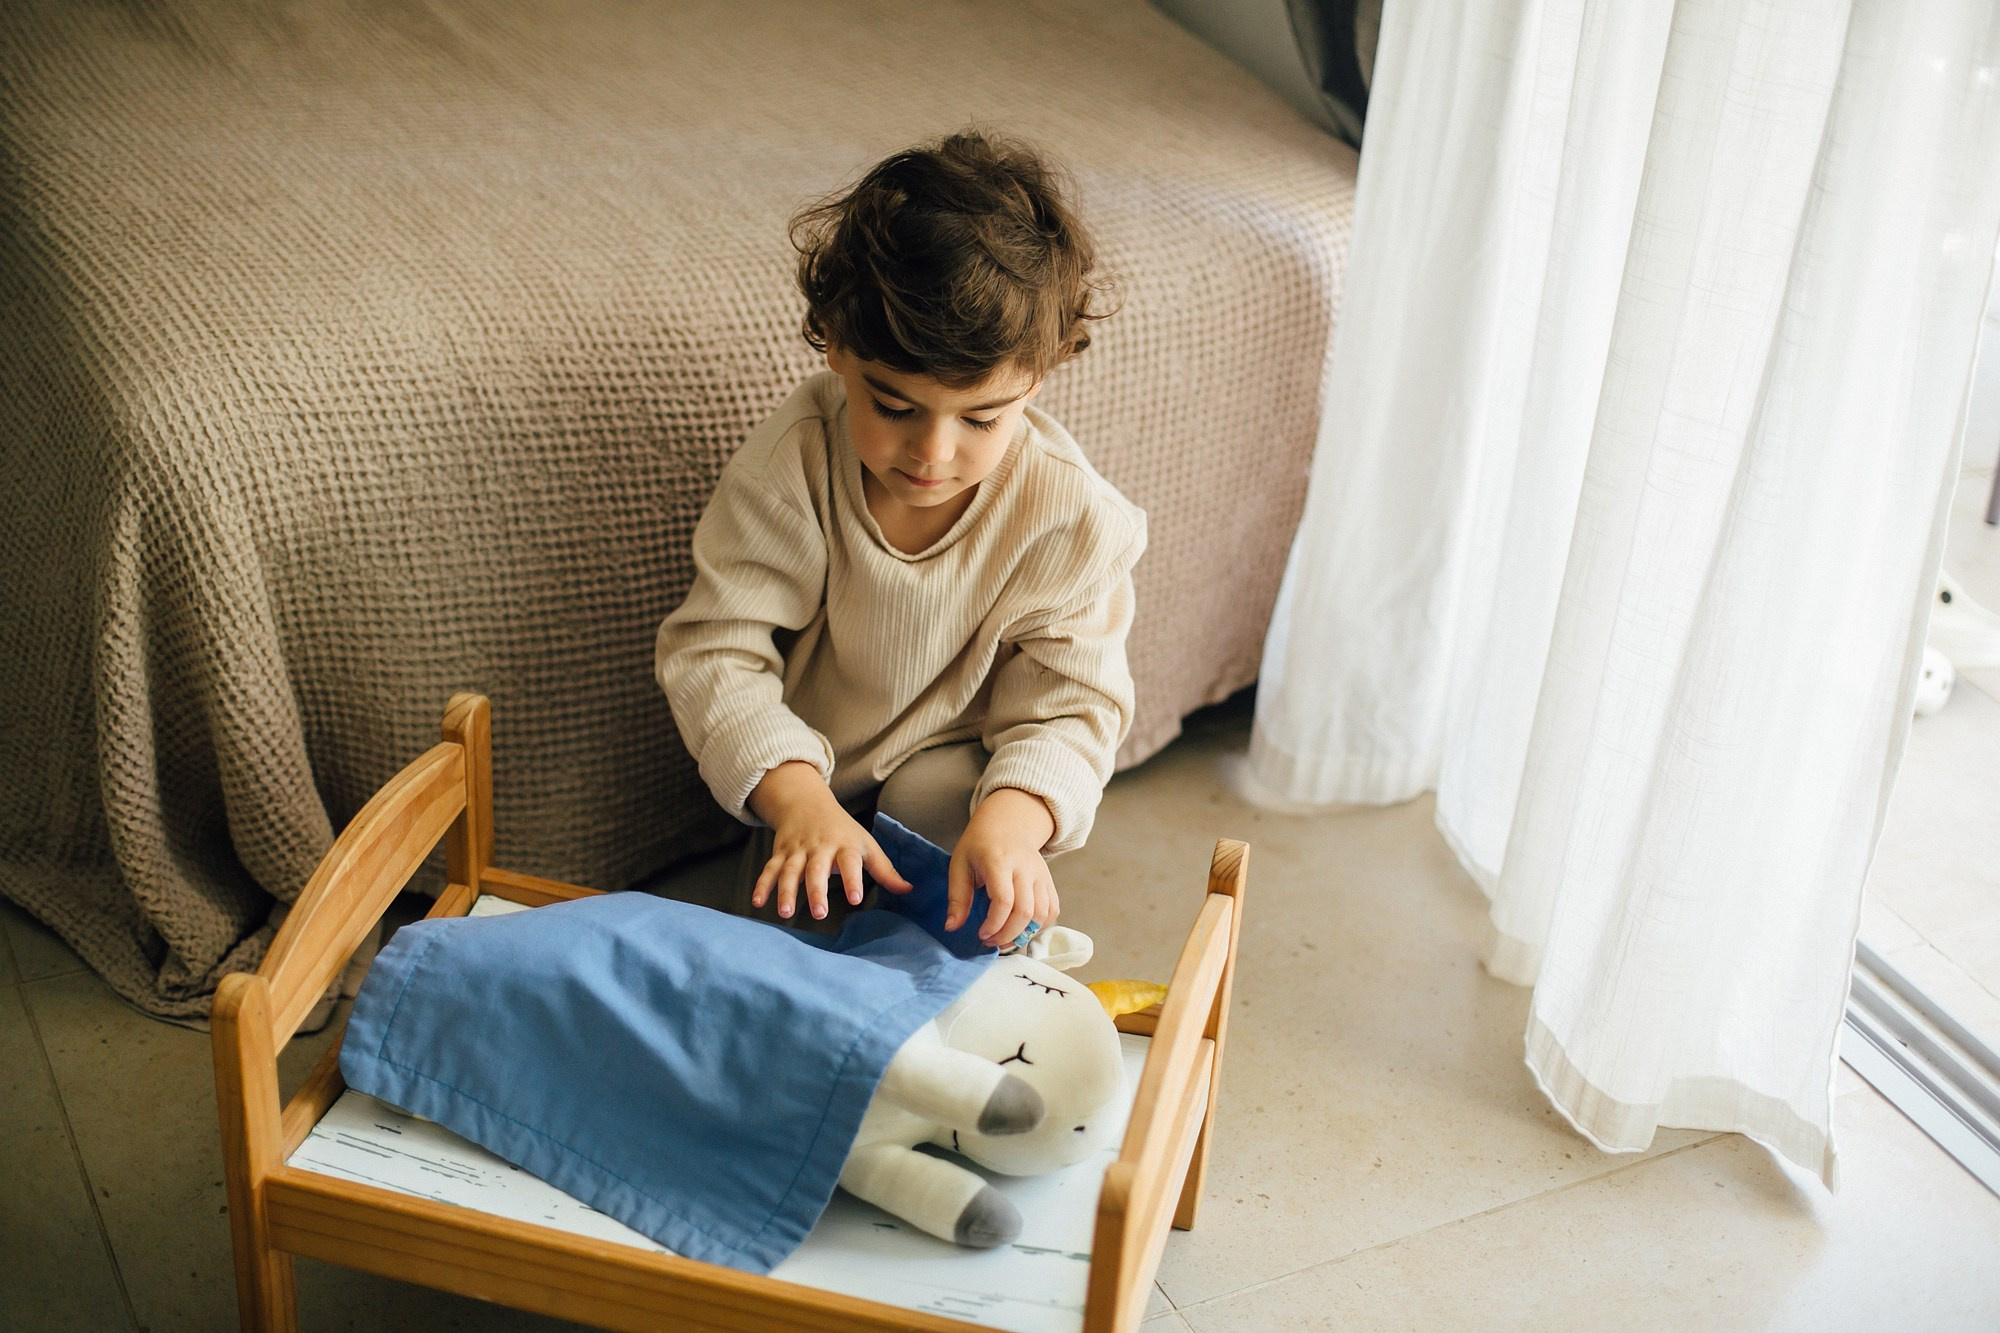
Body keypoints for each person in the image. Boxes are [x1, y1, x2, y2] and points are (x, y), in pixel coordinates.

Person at [655, 129, 1144, 950]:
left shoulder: (1069, 515)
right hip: (810, 773)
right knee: (771, 956)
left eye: (982, 418)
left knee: (944, 867)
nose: (931, 453)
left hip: (963, 773)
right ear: (835, 345)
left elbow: (1075, 706)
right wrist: (797, 797)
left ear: (1039, 379)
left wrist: (1015, 820)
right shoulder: (796, 466)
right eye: (893, 406)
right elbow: (715, 652)